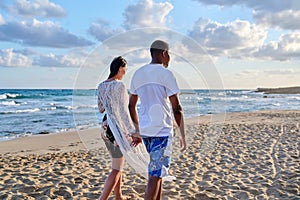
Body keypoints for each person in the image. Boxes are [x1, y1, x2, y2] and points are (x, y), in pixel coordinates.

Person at [129, 40, 186, 200]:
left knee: (157, 173)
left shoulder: (138, 73)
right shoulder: (166, 74)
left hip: (146, 132)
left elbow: (131, 105)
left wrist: (138, 129)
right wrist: (182, 134)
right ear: (164, 53)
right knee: (154, 175)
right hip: (161, 131)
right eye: (169, 55)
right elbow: (177, 108)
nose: (169, 59)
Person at [97, 56, 142, 200]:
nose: (125, 73)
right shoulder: (120, 86)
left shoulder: (101, 85)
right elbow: (124, 111)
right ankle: (102, 198)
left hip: (105, 129)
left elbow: (101, 109)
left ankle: (118, 196)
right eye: (125, 70)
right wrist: (133, 131)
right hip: (117, 129)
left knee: (117, 164)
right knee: (116, 168)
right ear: (120, 68)